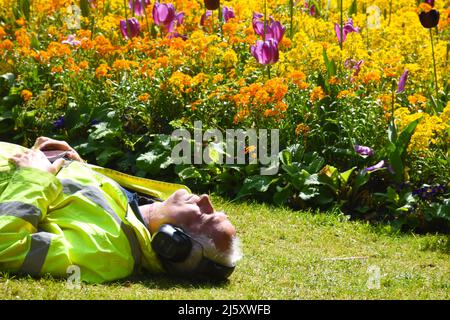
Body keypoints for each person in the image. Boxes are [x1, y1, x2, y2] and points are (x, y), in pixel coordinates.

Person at [0, 137, 242, 283]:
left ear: (173, 243)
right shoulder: (132, 215)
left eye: (206, 216)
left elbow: (6, 246)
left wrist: (33, 177)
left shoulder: (105, 251)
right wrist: (72, 163)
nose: (206, 199)